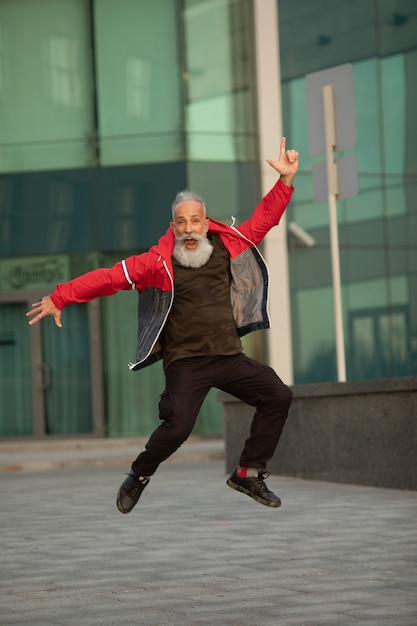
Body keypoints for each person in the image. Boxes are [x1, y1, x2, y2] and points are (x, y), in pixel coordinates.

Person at [27, 137, 299, 513]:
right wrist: (60, 297)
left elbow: (262, 221)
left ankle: (248, 471)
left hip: (228, 356)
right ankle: (139, 474)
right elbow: (107, 277)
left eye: (196, 221)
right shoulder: (156, 263)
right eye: (182, 222)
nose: (189, 229)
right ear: (173, 226)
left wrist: (284, 183)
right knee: (177, 427)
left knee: (278, 395)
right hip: (186, 361)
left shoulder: (228, 245)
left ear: (207, 223)